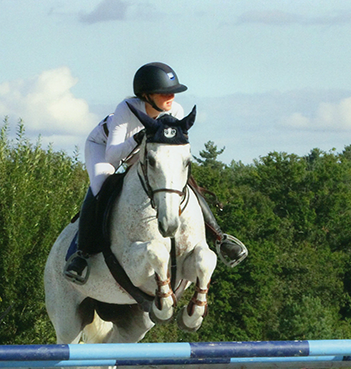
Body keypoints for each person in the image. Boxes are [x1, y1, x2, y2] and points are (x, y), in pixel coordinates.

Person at [63, 62, 248, 285]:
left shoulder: (176, 111)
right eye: (164, 93)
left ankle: (220, 238)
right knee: (101, 185)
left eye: (173, 92)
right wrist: (138, 138)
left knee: (184, 184)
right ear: (146, 95)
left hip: (143, 154)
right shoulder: (126, 109)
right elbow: (113, 156)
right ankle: (81, 255)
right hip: (104, 148)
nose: (171, 96)